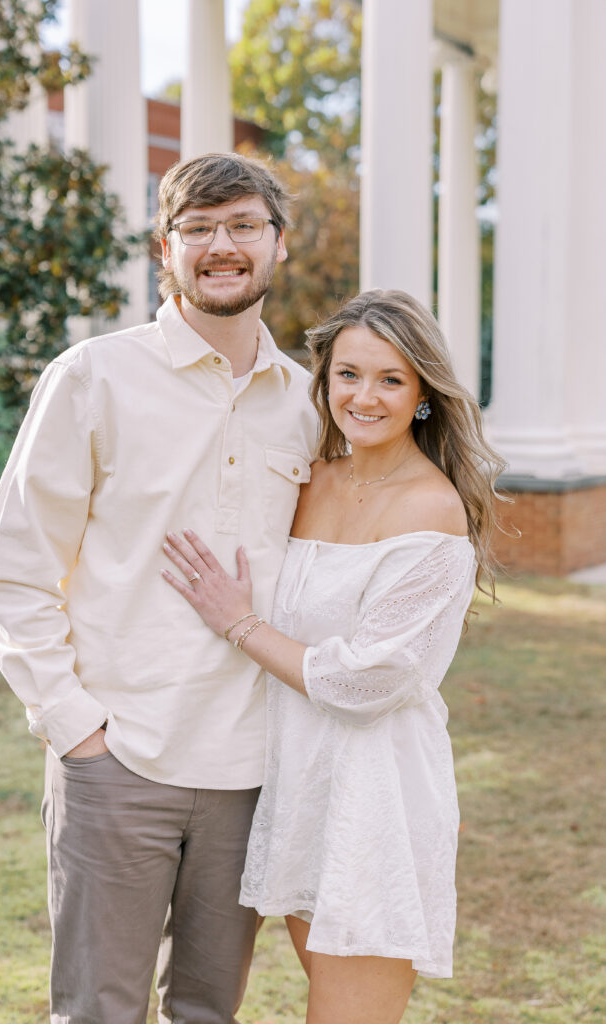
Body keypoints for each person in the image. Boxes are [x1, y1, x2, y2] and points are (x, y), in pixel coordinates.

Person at [0, 152, 318, 1024]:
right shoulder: (92, 377)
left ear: (278, 244)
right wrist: (75, 730)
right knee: (98, 1010)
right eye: (197, 229)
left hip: (251, 765)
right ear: (164, 248)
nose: (221, 245)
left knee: (209, 1011)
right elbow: (18, 574)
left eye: (243, 225)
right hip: (118, 758)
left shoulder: (308, 403)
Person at [162, 289, 505, 1024]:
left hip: (374, 793)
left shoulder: (432, 509)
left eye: (389, 379)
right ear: (323, 383)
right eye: (347, 375)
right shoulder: (308, 482)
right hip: (298, 784)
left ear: (421, 394)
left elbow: (366, 680)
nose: (364, 396)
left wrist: (240, 624)